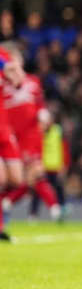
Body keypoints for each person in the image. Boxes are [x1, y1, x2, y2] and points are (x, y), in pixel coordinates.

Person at [0, 46, 62, 221]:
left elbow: (40, 105)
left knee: (31, 175)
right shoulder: (4, 84)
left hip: (31, 136)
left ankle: (51, 208)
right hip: (12, 134)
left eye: (18, 59)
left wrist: (44, 117)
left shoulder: (33, 82)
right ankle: (9, 204)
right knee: (23, 178)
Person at [0, 47, 25, 242]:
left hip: (4, 129)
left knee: (17, 180)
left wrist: (13, 70)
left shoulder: (3, 54)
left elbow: (19, 80)